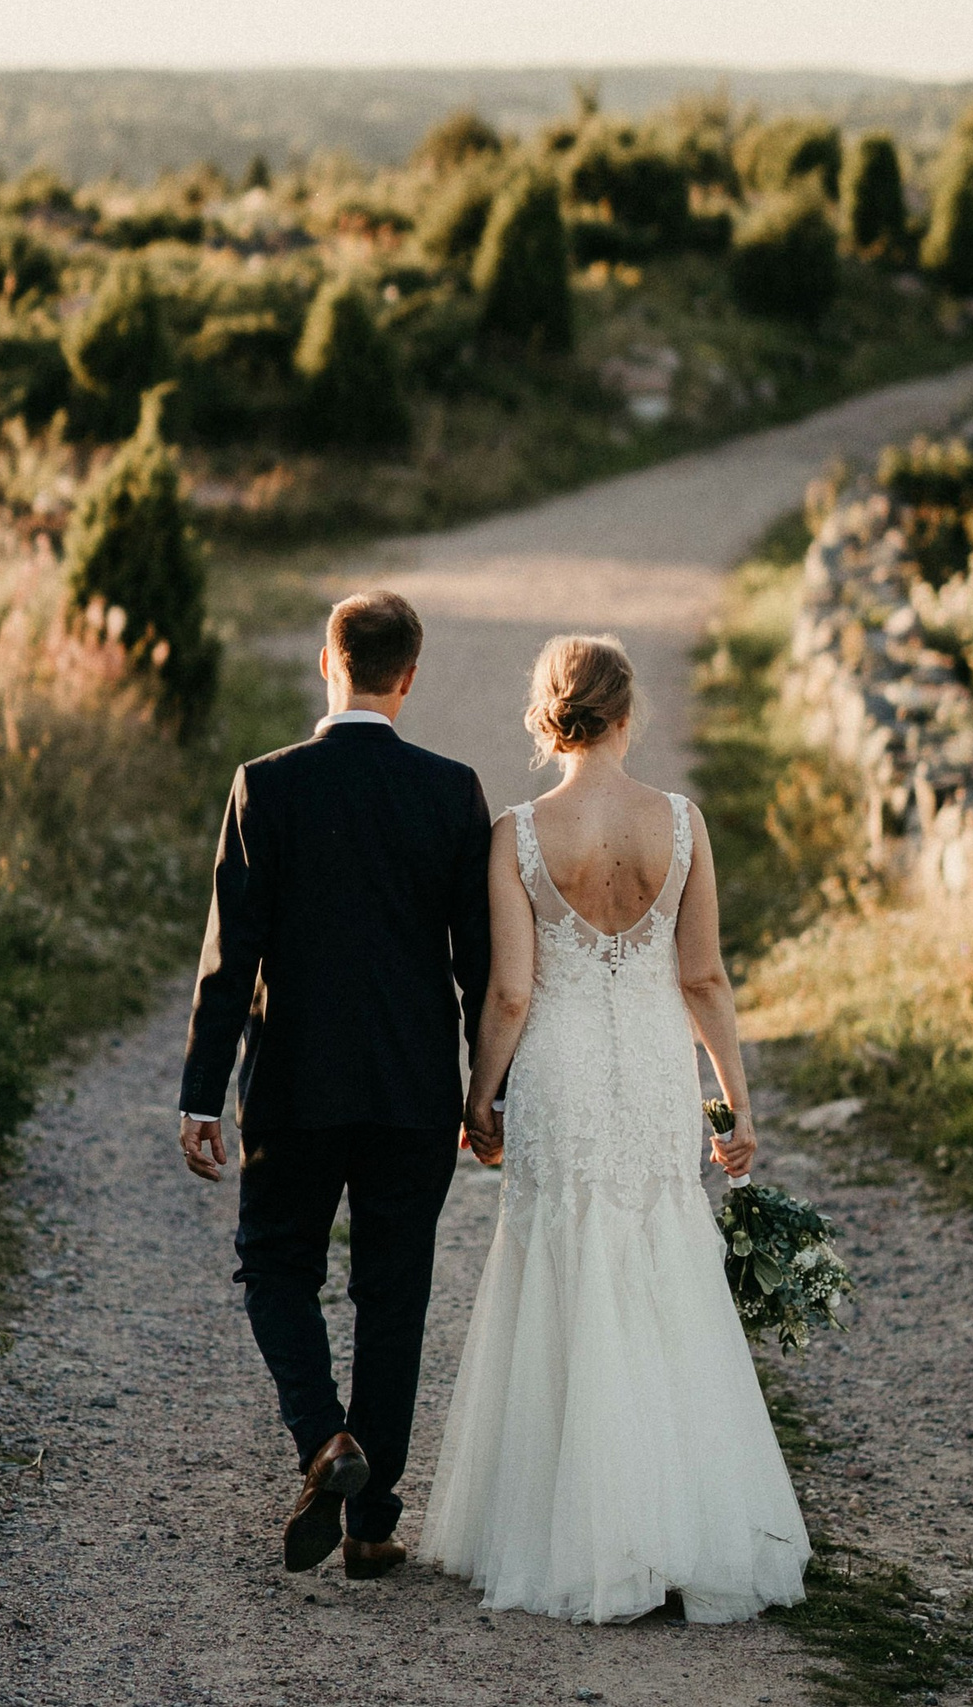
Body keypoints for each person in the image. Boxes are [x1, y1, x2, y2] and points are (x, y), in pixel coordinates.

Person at [421, 633, 811, 1624]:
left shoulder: (515, 832)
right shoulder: (678, 824)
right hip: (647, 1071)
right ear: (629, 714)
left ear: (546, 715)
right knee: (658, 1259)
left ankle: (579, 1530)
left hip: (558, 1073)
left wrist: (480, 1097)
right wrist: (734, 1106)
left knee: (564, 1264)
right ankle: (687, 1525)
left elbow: (510, 991)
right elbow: (705, 980)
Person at [177, 590, 492, 1581]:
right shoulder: (450, 791)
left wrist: (199, 1093)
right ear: (409, 675)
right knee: (393, 1295)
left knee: (276, 1263)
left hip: (294, 1087)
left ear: (328, 661)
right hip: (413, 1089)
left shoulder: (265, 786)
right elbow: (480, 965)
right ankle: (372, 1521)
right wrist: (489, 1094)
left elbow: (232, 959)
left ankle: (323, 1440)